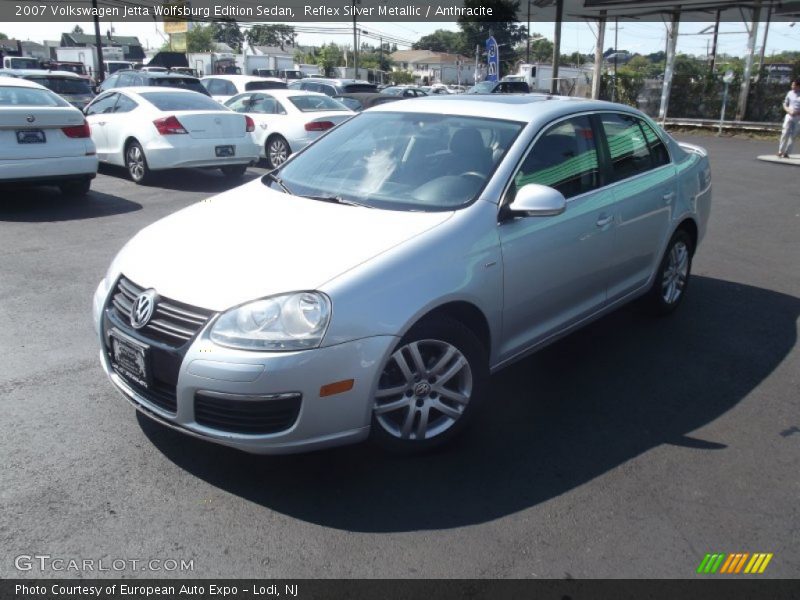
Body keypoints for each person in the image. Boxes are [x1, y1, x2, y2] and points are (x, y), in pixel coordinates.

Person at [777, 77, 800, 158]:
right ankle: (780, 151)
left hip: (798, 118)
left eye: (794, 85)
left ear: (798, 86)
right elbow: (785, 104)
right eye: (792, 85)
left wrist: (797, 112)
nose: (792, 86)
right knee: (785, 133)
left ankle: (787, 152)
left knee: (793, 135)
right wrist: (788, 111)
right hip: (789, 116)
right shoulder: (789, 93)